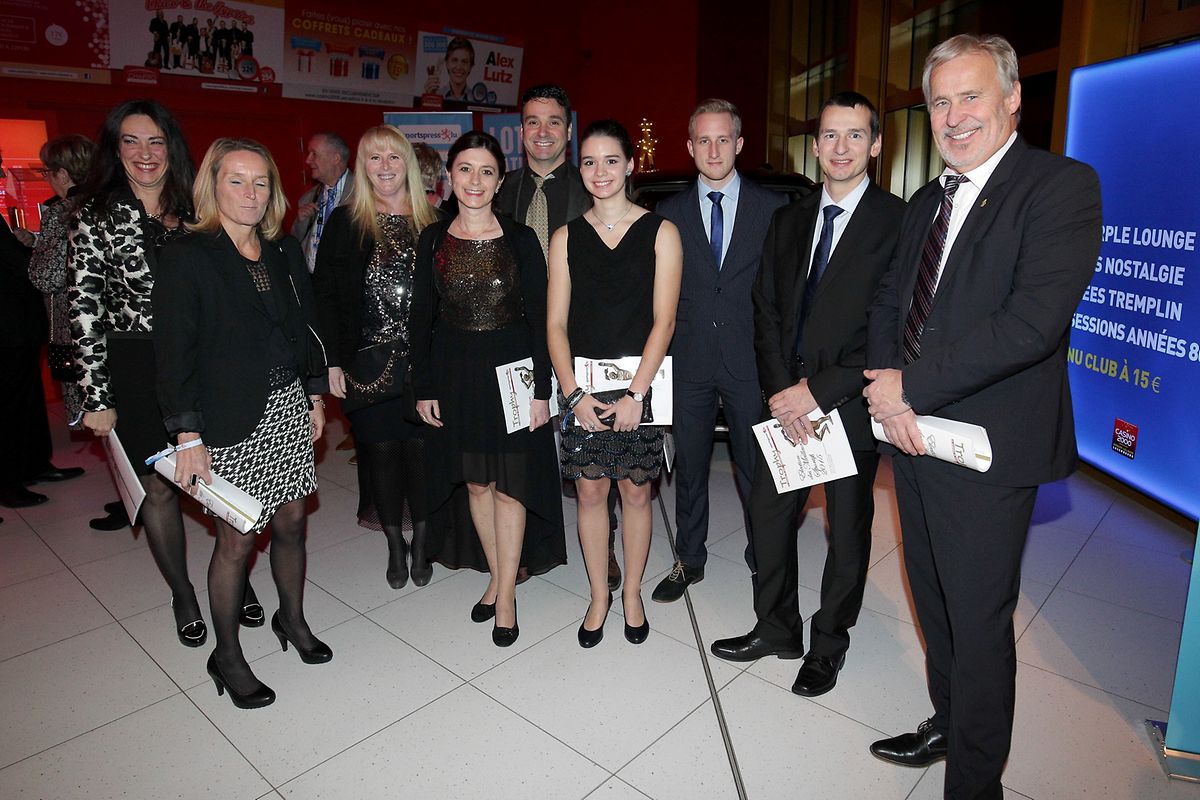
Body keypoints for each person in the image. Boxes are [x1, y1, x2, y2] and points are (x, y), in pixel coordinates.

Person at [863, 35, 1102, 799]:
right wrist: (882, 388)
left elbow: (1032, 323)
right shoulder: (930, 199)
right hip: (912, 436)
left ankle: (974, 784)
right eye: (941, 101)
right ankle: (949, 722)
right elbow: (890, 302)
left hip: (986, 450)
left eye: (971, 97)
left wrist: (910, 389)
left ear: (1012, 99)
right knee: (931, 602)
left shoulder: (1060, 186)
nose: (955, 116)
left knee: (977, 620)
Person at [710, 92, 905, 698]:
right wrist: (780, 394)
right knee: (767, 517)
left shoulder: (897, 223)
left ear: (875, 145)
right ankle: (777, 628)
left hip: (847, 402)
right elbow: (764, 310)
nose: (839, 148)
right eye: (828, 136)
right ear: (814, 145)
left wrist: (816, 394)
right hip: (783, 404)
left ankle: (828, 646)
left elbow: (890, 326)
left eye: (854, 136)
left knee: (846, 533)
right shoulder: (789, 219)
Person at [69, 99, 262, 647]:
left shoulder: (197, 209)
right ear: (115, 148)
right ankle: (182, 591)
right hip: (133, 363)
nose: (144, 153)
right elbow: (85, 310)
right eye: (131, 141)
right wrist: (96, 396)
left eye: (155, 141)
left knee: (220, 475)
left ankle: (233, 573)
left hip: (202, 360)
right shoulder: (96, 214)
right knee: (158, 490)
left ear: (171, 147)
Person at [155, 137, 331, 709]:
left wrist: (313, 395)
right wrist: (187, 434)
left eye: (261, 183)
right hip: (225, 421)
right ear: (213, 185)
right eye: (237, 181)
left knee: (293, 526)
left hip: (285, 409)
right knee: (236, 540)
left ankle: (292, 621)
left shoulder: (281, 251)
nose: (251, 194)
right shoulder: (188, 255)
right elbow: (173, 352)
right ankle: (226, 655)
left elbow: (303, 330)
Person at [411, 131, 566, 647]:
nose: (474, 181)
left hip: (513, 373)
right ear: (449, 178)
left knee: (509, 484)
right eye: (464, 170)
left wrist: (542, 388)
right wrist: (424, 384)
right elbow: (421, 319)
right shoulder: (432, 240)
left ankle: (506, 596)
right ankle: (500, 577)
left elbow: (543, 318)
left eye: (486, 172)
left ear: (500, 181)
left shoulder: (522, 239)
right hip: (455, 373)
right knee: (477, 482)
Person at [546, 119, 682, 648]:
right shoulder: (566, 237)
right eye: (588, 161)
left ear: (629, 165)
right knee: (589, 491)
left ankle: (632, 596)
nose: (599, 171)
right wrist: (573, 394)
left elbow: (663, 322)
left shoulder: (661, 231)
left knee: (637, 492)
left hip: (640, 386)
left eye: (609, 160)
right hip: (582, 388)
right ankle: (600, 596)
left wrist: (636, 395)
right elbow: (555, 325)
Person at [653, 99, 786, 603]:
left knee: (758, 468)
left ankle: (764, 556)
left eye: (723, 139)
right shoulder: (667, 214)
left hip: (750, 361)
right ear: (689, 147)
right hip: (688, 360)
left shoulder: (774, 210)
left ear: (740, 144)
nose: (713, 149)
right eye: (703, 140)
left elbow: (782, 293)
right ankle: (690, 558)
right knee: (688, 467)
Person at [493, 85, 623, 590]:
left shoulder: (594, 183)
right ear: (520, 130)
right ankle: (525, 545)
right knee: (522, 445)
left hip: (584, 338)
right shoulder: (501, 190)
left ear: (567, 131)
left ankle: (604, 544)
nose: (542, 132)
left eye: (553, 122)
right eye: (532, 122)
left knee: (599, 448)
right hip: (518, 337)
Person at [313, 125, 440, 589]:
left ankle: (423, 541)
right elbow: (324, 296)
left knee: (423, 454)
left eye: (393, 156)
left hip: (426, 364)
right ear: (361, 168)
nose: (385, 166)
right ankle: (394, 544)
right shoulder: (346, 223)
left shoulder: (436, 219)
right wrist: (330, 361)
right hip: (365, 365)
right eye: (374, 158)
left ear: (406, 162)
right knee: (382, 454)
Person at [27, 135, 125, 529]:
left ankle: (133, 499)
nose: (48, 179)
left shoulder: (64, 212)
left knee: (105, 422)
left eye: (48, 171)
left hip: (80, 336)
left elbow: (46, 275)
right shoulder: (111, 203)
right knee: (117, 420)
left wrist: (35, 248)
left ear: (64, 173)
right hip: (115, 332)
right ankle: (135, 497)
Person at [292, 132, 353, 274]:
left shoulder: (364, 194)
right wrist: (301, 221)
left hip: (347, 282)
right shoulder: (308, 198)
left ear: (335, 158)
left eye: (314, 154)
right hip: (313, 283)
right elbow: (294, 242)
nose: (308, 160)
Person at [424, 37, 474, 101]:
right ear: (447, 63)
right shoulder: (436, 94)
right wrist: (428, 98)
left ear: (471, 67)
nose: (459, 67)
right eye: (454, 60)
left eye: (464, 61)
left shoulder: (476, 100)